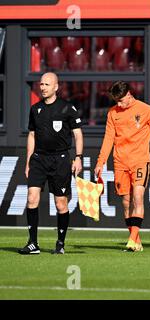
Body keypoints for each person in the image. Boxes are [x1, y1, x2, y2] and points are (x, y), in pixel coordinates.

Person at [95, 81, 150, 252]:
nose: (118, 104)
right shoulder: (113, 114)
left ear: (129, 95)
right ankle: (136, 240)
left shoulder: (147, 110)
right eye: (115, 101)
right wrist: (100, 162)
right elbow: (108, 139)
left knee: (138, 197)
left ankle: (132, 240)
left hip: (140, 160)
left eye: (120, 100)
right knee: (126, 203)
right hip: (120, 162)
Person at [19, 72, 83, 255]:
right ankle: (33, 243)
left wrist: (78, 157)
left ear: (56, 87)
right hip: (38, 159)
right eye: (41, 84)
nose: (43, 87)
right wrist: (29, 161)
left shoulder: (67, 109)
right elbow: (32, 135)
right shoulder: (35, 109)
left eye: (47, 84)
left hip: (60, 160)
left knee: (61, 204)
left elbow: (77, 134)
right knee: (32, 198)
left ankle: (60, 243)